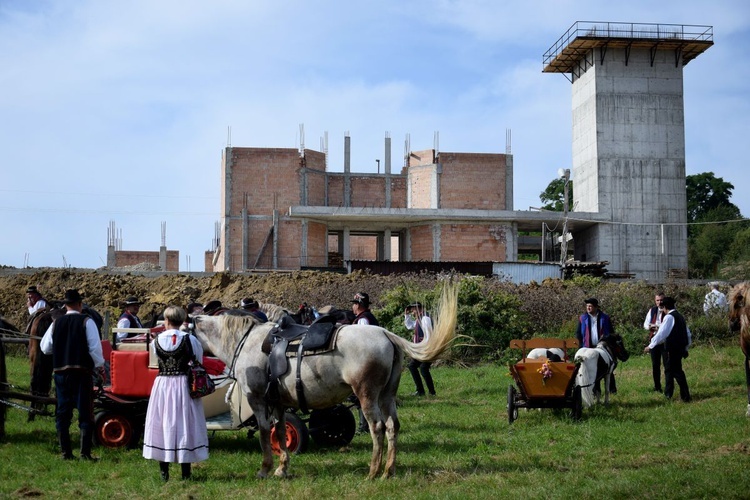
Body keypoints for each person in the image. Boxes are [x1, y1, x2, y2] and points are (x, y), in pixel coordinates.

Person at [142, 306, 208, 481]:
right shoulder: (190, 340)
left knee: (164, 421)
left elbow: (156, 360)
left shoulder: (155, 341)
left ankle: (164, 472)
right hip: (183, 384)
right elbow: (198, 361)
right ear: (182, 321)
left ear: (166, 320)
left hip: (163, 384)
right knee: (184, 422)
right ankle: (186, 472)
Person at [40, 289, 106, 460]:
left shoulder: (57, 323)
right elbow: (95, 349)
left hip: (61, 374)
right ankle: (85, 453)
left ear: (65, 305)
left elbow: (45, 348)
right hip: (81, 373)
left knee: (63, 412)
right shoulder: (87, 322)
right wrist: (99, 366)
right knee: (85, 412)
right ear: (80, 304)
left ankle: (66, 453)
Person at [644, 296, 692, 402]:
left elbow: (662, 333)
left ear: (665, 307)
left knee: (676, 372)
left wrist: (650, 345)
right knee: (670, 371)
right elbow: (688, 334)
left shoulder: (669, 317)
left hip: (672, 349)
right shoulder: (680, 316)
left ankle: (685, 396)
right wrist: (686, 347)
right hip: (680, 348)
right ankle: (668, 394)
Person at [575, 297, 617, 393]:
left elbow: (611, 332)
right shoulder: (583, 318)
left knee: (607, 367)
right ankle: (595, 391)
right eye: (587, 306)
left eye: (590, 306)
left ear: (596, 307)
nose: (588, 308)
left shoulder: (605, 318)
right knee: (593, 369)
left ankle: (612, 389)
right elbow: (578, 333)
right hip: (588, 347)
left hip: (602, 347)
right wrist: (581, 345)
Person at [404, 302, 436, 396]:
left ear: (418, 308)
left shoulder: (425, 318)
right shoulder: (419, 319)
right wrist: (406, 315)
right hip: (421, 349)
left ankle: (430, 392)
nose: (412, 311)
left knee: (423, 368)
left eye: (413, 309)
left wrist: (425, 348)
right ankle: (422, 391)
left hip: (426, 349)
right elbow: (409, 326)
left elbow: (429, 334)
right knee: (413, 366)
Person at [643, 292, 668, 392]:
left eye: (661, 300)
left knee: (667, 365)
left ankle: (668, 386)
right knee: (655, 365)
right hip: (654, 341)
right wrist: (651, 326)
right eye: (658, 300)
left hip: (665, 341)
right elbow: (645, 324)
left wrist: (659, 327)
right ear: (655, 301)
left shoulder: (668, 311)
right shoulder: (652, 310)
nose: (660, 302)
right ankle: (657, 387)